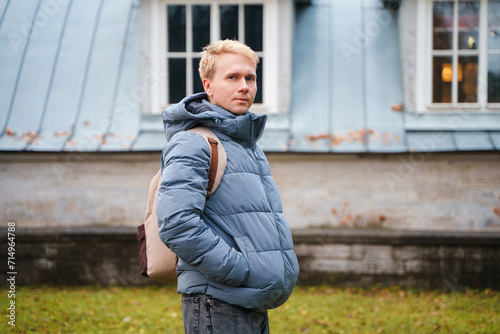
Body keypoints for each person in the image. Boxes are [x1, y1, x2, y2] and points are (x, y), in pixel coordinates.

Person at [157, 39, 299, 334]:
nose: (244, 86)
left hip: (249, 302)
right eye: (232, 77)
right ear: (207, 86)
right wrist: (238, 270)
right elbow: (176, 224)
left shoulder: (246, 145)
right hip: (218, 303)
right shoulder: (192, 143)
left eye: (250, 78)